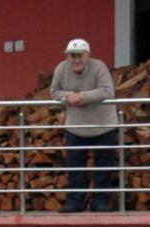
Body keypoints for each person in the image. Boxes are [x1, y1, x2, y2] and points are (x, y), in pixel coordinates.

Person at [50, 38, 119, 212]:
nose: (76, 60)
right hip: (75, 127)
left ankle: (101, 202)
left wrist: (83, 97)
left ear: (88, 55)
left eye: (80, 55)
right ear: (67, 56)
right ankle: (75, 202)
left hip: (104, 126)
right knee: (75, 167)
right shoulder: (61, 69)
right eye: (72, 55)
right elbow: (54, 92)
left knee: (104, 167)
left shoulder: (99, 67)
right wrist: (69, 96)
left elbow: (108, 90)